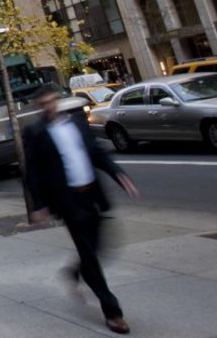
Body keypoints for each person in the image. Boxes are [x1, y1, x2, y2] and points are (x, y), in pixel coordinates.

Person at [24, 84, 139, 334]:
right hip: (68, 202)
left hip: (92, 196)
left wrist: (119, 174)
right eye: (44, 104)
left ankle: (75, 272)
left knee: (101, 248)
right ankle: (113, 313)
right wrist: (39, 206)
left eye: (52, 101)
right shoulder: (35, 132)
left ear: (58, 100)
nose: (49, 107)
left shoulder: (77, 123)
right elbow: (32, 173)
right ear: (39, 107)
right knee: (89, 255)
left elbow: (97, 153)